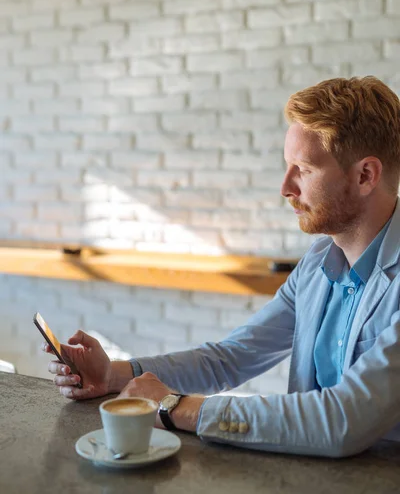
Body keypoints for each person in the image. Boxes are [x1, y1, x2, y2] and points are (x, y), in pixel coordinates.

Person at [44, 76, 400, 458]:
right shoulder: (317, 265)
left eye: (304, 169)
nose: (285, 187)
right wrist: (114, 374)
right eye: (287, 166)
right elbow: (230, 358)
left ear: (365, 175)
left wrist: (175, 406)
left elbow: (341, 420)